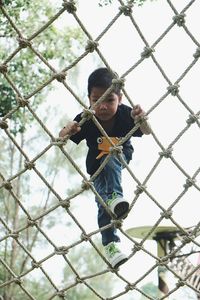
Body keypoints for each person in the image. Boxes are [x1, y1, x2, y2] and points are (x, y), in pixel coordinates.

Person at [59, 67, 151, 269]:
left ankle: (115, 197)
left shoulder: (127, 114)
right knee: (103, 206)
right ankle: (111, 246)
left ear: (120, 98)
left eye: (109, 100)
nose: (102, 106)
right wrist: (68, 129)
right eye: (96, 99)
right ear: (89, 99)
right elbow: (61, 137)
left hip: (120, 157)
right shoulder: (87, 118)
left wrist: (141, 119)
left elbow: (146, 131)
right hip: (96, 169)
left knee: (112, 158)